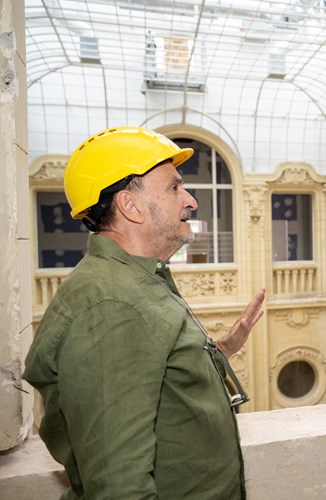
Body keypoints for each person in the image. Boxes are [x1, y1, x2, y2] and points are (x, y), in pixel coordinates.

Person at [23, 126, 266, 499]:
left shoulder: (133, 281)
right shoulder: (113, 306)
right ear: (130, 206)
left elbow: (157, 375)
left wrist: (219, 352)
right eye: (174, 187)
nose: (191, 201)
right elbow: (120, 486)